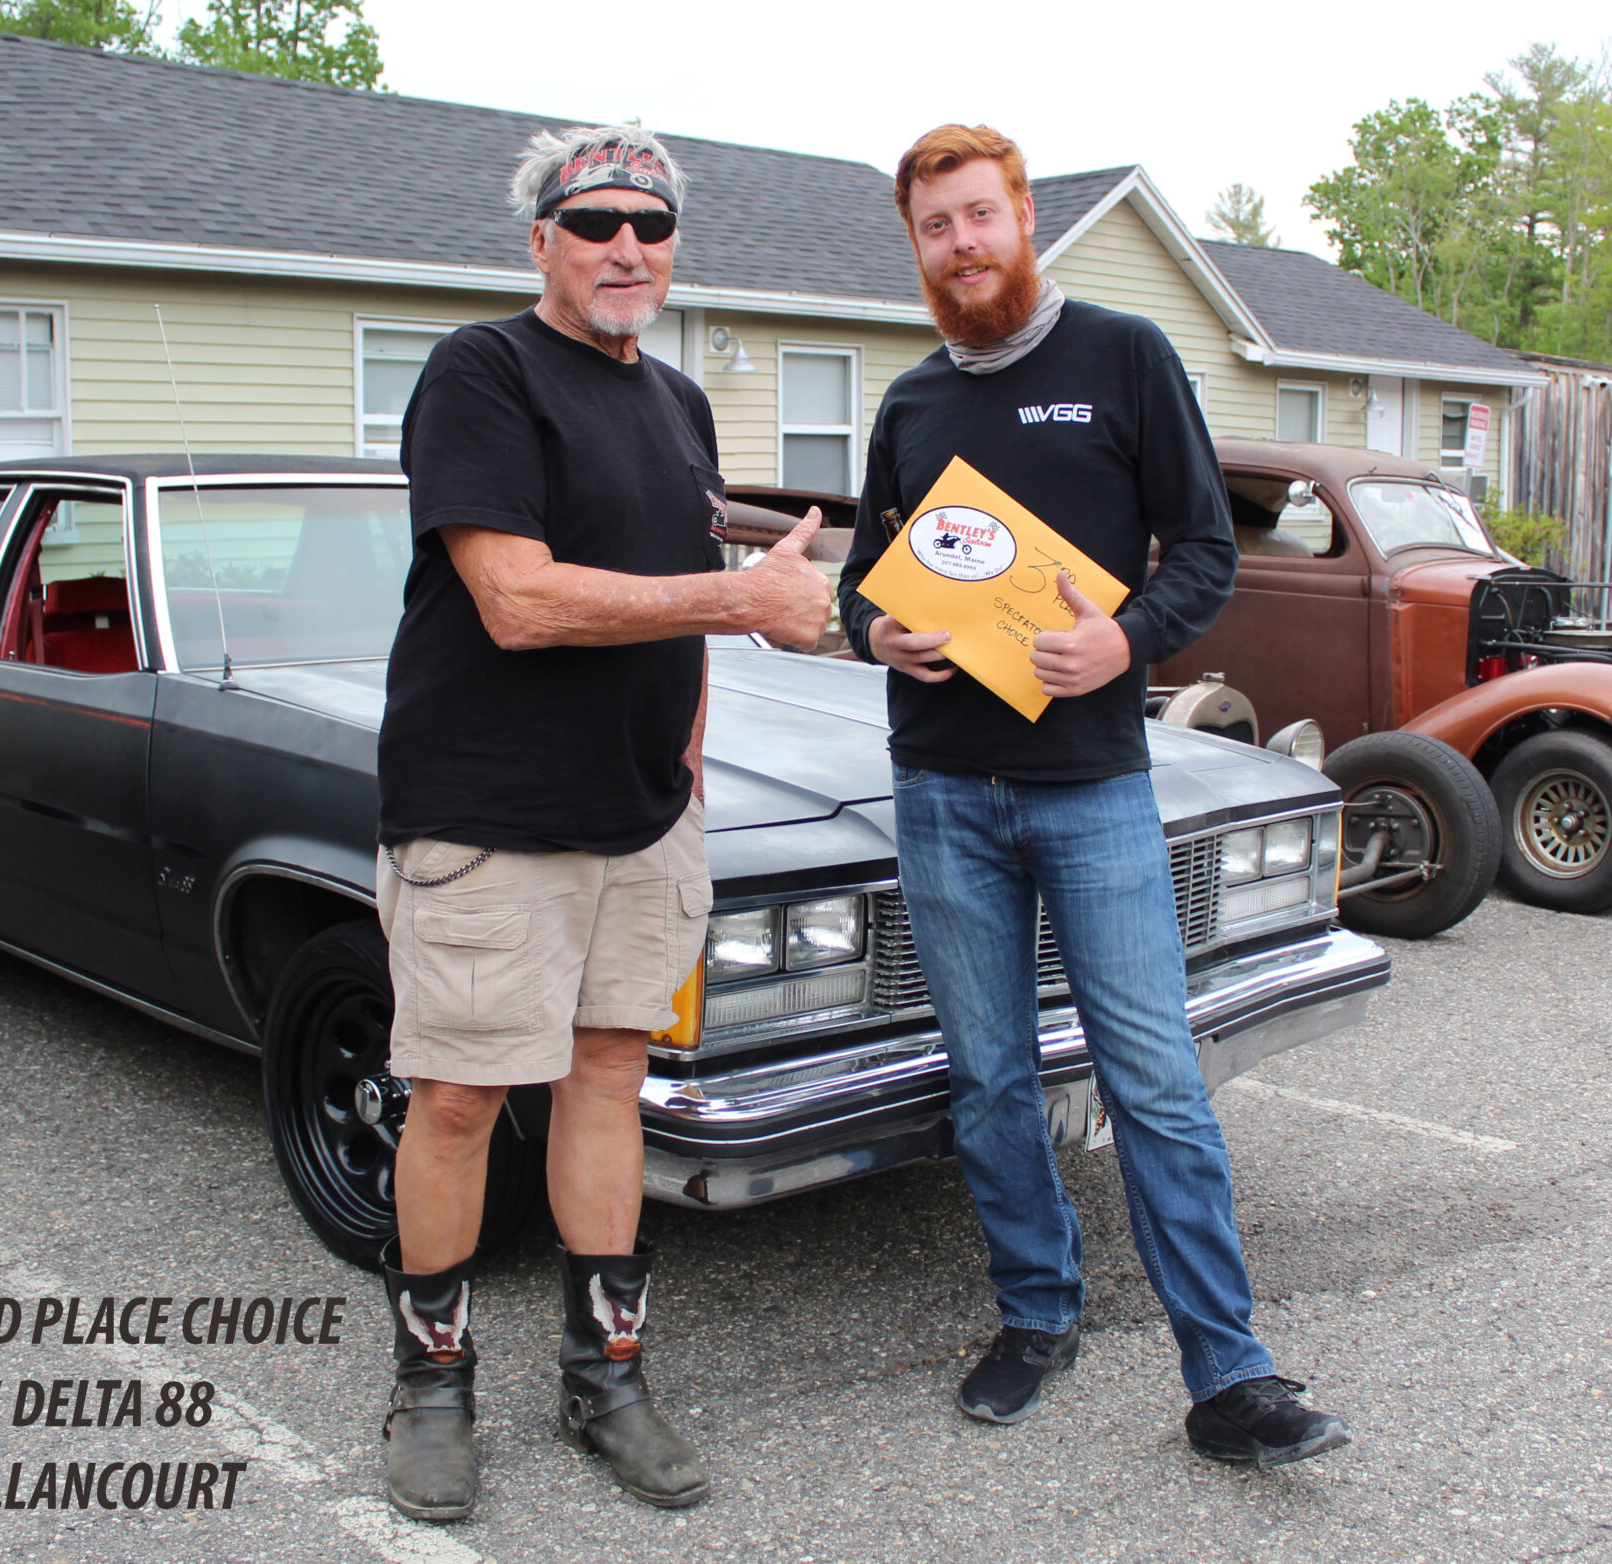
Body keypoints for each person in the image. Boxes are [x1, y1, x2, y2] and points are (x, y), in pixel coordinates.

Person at [837, 124, 1352, 1469]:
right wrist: (873, 632)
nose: (960, 247)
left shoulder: (1124, 358)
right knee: (992, 1079)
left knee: (1157, 1081)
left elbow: (1202, 551)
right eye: (935, 228)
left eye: (979, 217)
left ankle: (1231, 1376)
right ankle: (1036, 1312)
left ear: (1022, 221)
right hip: (944, 791)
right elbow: (866, 578)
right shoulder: (910, 408)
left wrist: (1126, 642)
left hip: (1090, 791)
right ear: (918, 248)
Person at [375, 124, 832, 1522]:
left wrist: (687, 728)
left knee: (607, 1077)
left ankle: (606, 1376)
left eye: (650, 221)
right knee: (458, 1097)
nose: (625, 244)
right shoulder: (483, 373)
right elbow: (517, 601)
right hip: (488, 813)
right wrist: (739, 604)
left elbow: (671, 574)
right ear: (542, 244)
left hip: (638, 818)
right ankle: (431, 1387)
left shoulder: (679, 401)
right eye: (594, 223)